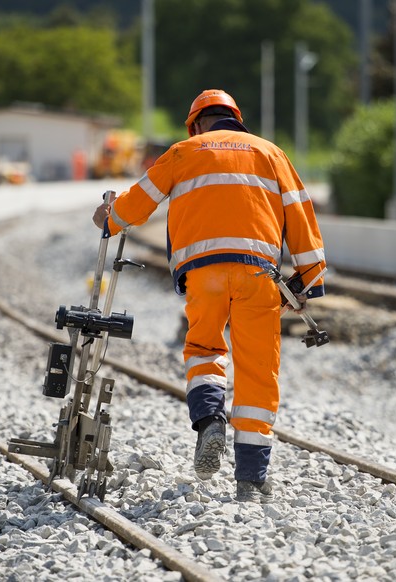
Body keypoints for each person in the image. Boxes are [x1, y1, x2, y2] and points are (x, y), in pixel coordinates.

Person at [93, 89, 326, 503]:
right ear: (236, 118)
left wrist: (109, 218)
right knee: (257, 369)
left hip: (204, 274)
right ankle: (251, 480)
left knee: (203, 348)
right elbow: (301, 214)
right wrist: (306, 279)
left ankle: (209, 422)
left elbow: (139, 201)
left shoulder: (184, 152)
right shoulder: (270, 153)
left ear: (197, 123)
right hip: (260, 274)